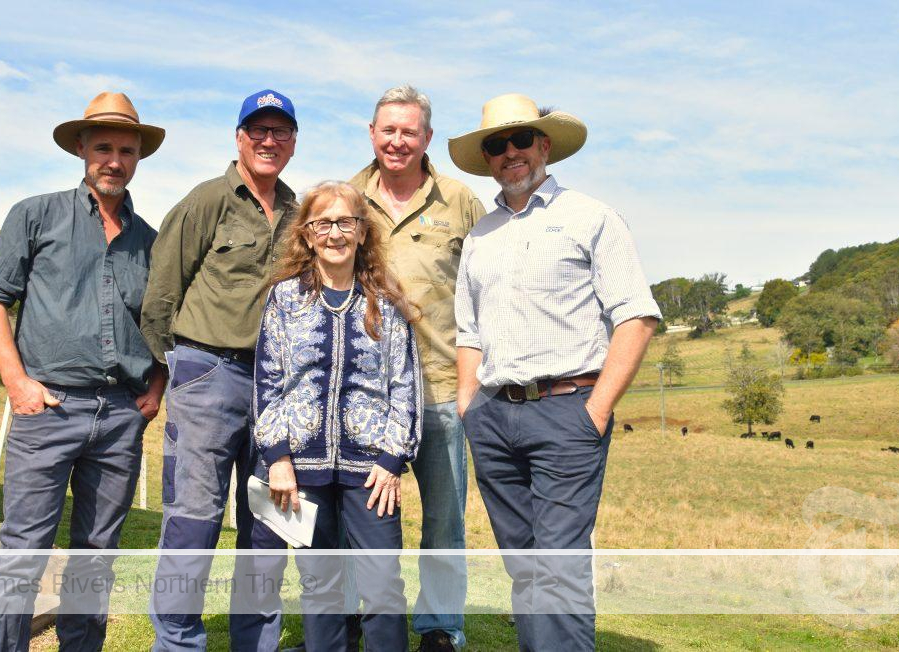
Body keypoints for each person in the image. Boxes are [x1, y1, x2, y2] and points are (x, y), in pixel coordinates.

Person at [449, 94, 662, 651]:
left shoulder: (592, 218)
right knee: (524, 566)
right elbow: (468, 332)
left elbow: (636, 317)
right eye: (497, 145)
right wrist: (469, 408)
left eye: (522, 140)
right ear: (488, 158)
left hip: (568, 411)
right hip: (493, 418)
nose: (510, 153)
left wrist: (594, 411)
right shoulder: (481, 236)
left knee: (560, 562)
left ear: (545, 146)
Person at [0, 91, 166, 651]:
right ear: (81, 148)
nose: (114, 159)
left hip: (119, 417)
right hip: (48, 406)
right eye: (103, 146)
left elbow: (161, 323)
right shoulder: (35, 214)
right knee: (23, 554)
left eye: (126, 149)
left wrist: (154, 390)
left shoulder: (149, 241)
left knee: (96, 557)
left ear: (138, 157)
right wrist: (16, 381)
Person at [140, 89, 299, 651]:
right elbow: (161, 293)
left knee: (268, 524)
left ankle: (255, 642)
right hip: (209, 373)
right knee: (193, 519)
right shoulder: (207, 200)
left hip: (278, 387)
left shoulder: (298, 212)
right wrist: (178, 365)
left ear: (293, 143)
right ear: (239, 137)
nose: (268, 140)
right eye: (258, 129)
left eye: (280, 131)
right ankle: (178, 640)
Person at [250, 181, 421, 652]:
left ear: (363, 232)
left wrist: (392, 459)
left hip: (372, 473)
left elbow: (405, 387)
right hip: (300, 469)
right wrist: (278, 458)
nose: (335, 233)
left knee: (383, 584)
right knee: (320, 586)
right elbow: (267, 384)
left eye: (346, 221)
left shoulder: (386, 302)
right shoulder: (285, 298)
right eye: (322, 223)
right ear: (306, 235)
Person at [348, 85, 484, 652]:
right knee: (358, 521)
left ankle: (439, 629)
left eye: (410, 131)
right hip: (361, 394)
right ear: (372, 133)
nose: (397, 141)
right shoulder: (346, 197)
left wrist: (473, 388)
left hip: (441, 388)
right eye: (388, 130)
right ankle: (357, 617)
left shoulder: (461, 202)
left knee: (444, 522)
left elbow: (486, 293)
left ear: (426, 138)